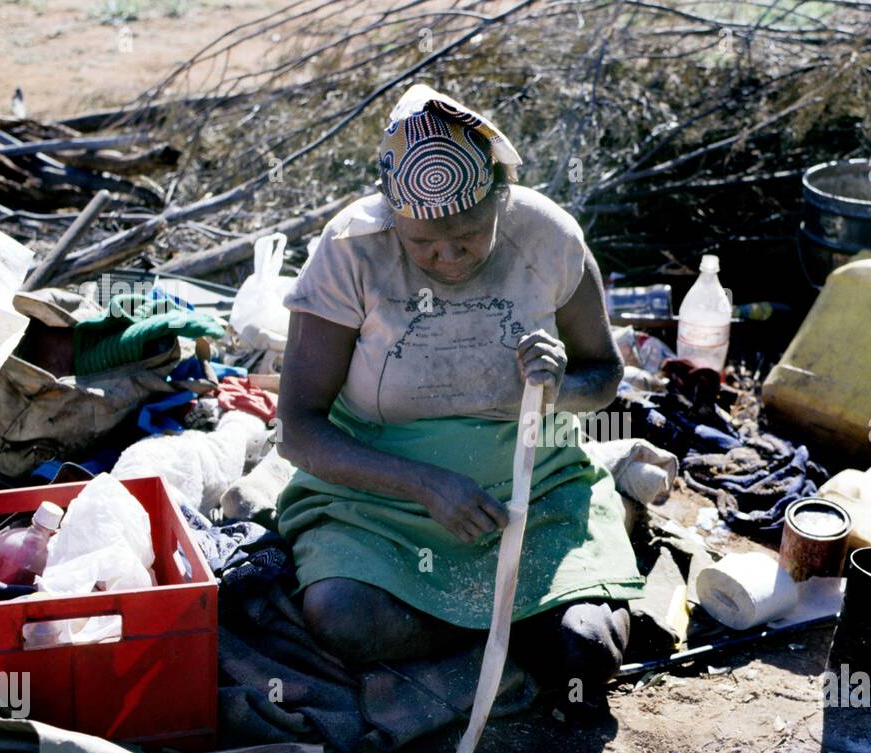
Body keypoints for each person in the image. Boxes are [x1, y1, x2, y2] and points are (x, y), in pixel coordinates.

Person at [276, 84, 644, 698]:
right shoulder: (349, 251)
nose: (448, 256)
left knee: (587, 650)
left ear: (501, 198)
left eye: (470, 235)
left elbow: (603, 377)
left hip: (536, 493)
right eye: (422, 243)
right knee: (342, 618)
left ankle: (512, 619)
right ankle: (507, 626)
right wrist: (422, 485)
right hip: (379, 508)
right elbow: (297, 427)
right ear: (391, 216)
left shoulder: (548, 237)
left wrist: (556, 392)